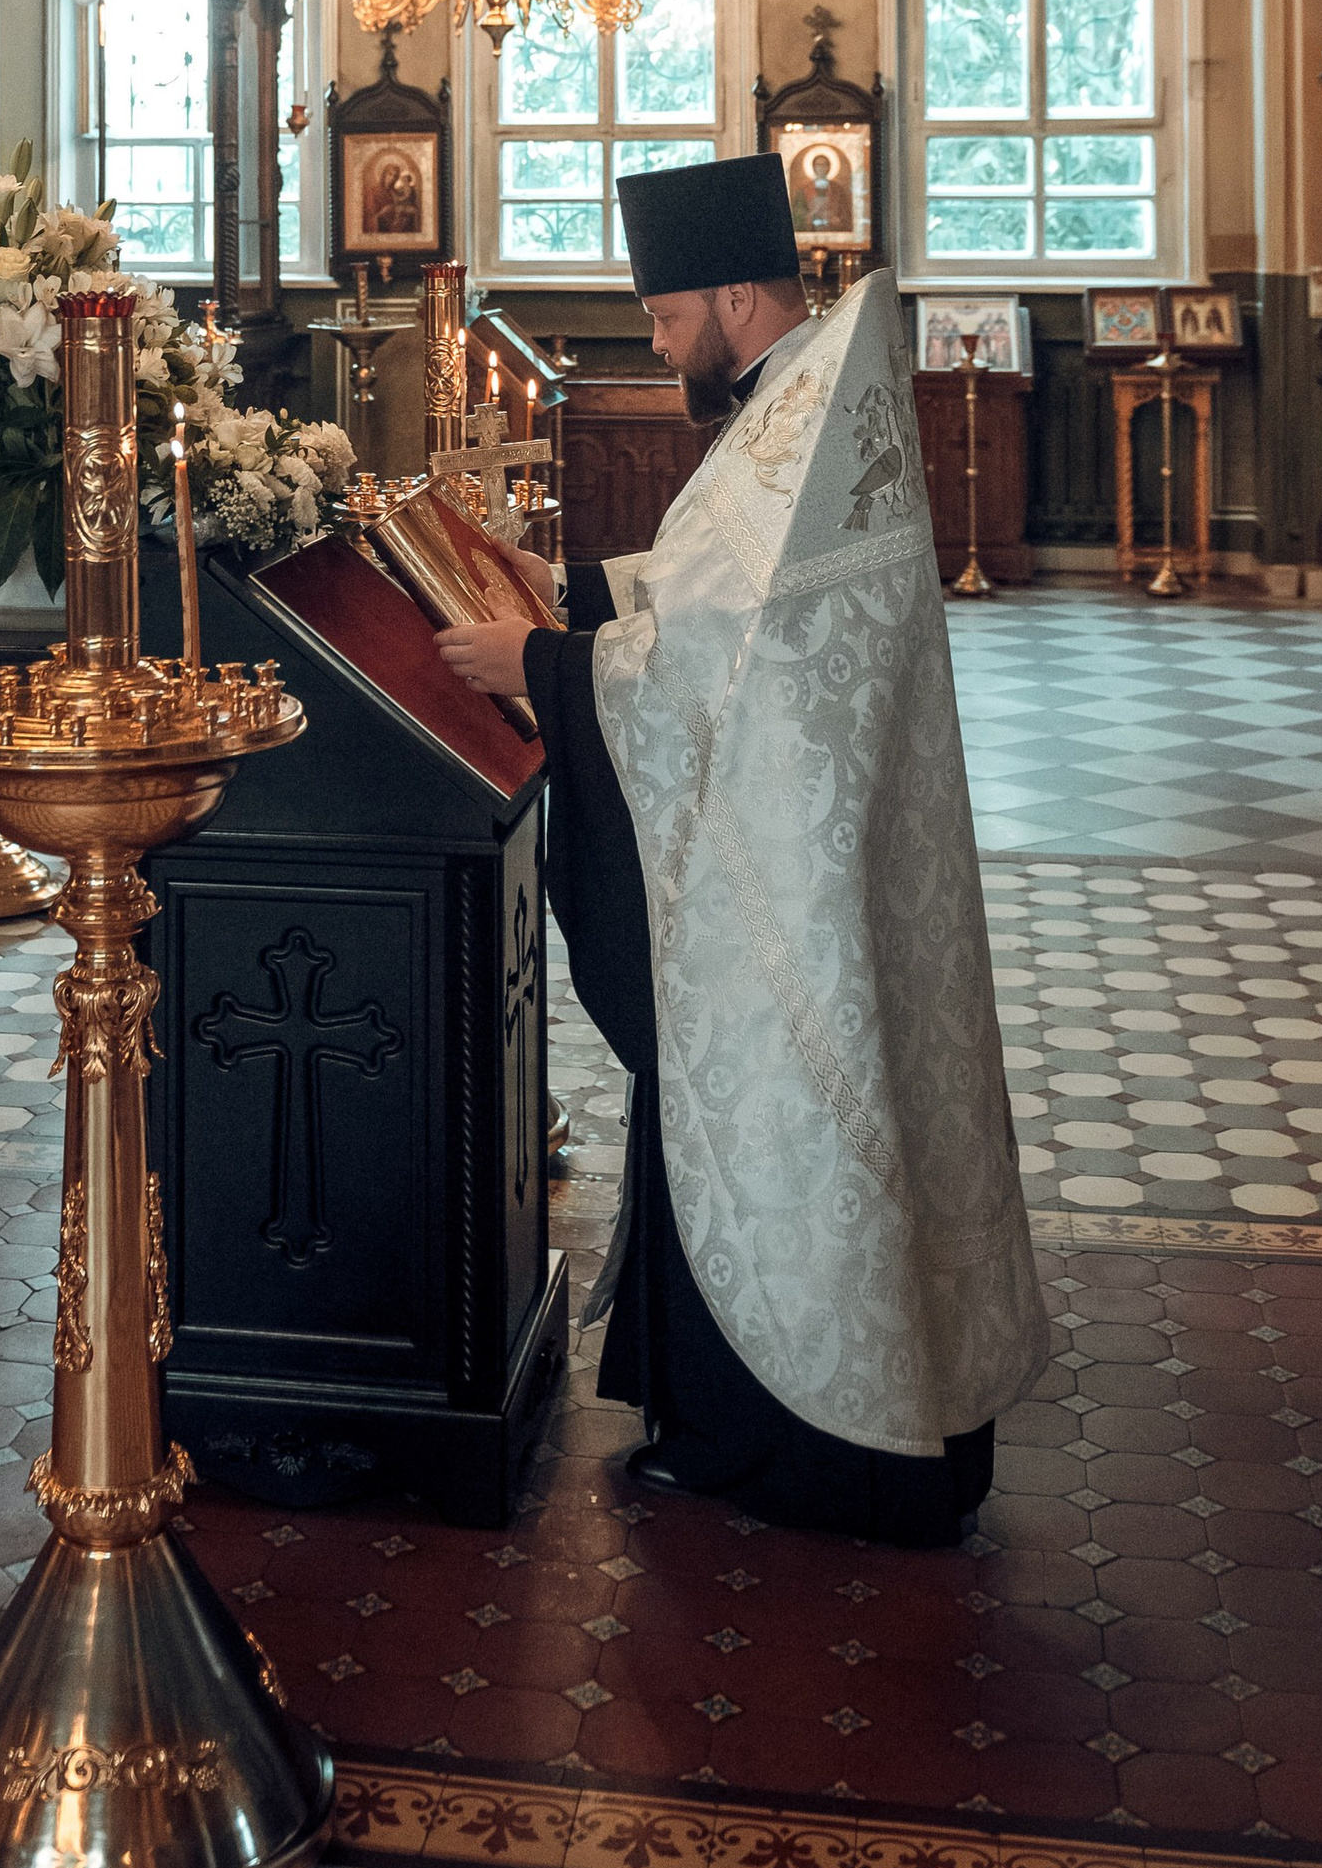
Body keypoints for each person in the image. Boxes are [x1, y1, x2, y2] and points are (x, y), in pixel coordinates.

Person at [437, 153, 1047, 1540]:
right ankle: (731, 1414)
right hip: (797, 844)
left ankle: (794, 1452)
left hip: (787, 866)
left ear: (728, 297)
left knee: (778, 1098)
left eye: (664, 316)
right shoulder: (799, 402)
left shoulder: (803, 415)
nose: (657, 344)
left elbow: (729, 658)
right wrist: (573, 592)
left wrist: (541, 663)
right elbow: (716, 596)